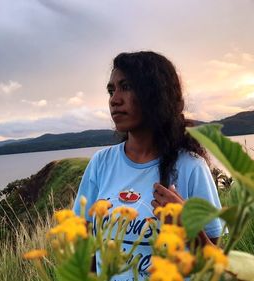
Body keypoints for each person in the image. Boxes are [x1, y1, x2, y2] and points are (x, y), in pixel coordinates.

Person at [73, 51, 223, 280]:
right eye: (111, 90)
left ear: (156, 94)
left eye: (127, 87)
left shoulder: (191, 168)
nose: (114, 99)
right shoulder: (101, 164)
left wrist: (188, 229)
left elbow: (214, 266)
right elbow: (85, 249)